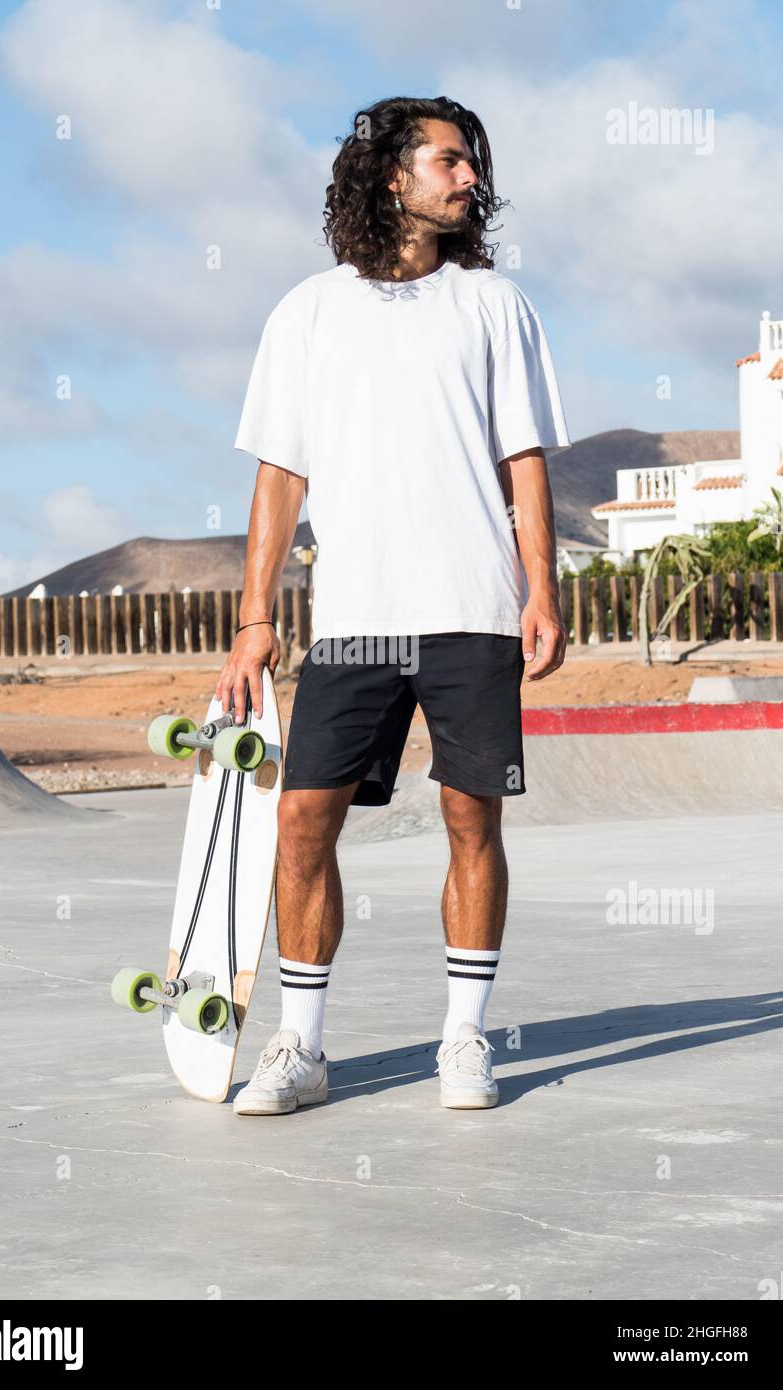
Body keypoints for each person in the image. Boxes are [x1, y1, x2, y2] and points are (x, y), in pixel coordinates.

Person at [218, 95, 570, 1115]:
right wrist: (254, 621)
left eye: (472, 165)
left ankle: (462, 1038)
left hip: (473, 605)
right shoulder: (307, 312)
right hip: (356, 614)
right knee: (301, 823)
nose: (469, 179)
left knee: (471, 818)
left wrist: (540, 587)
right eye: (450, 161)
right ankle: (302, 1043)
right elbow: (278, 477)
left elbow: (524, 458)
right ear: (390, 175)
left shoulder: (493, 305)